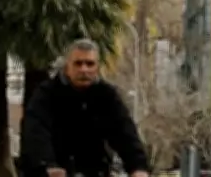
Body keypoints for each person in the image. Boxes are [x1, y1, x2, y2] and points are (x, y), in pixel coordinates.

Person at [20, 39, 149, 177]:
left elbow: (125, 131)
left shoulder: (107, 96)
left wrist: (138, 166)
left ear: (97, 67)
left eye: (90, 64)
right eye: (78, 63)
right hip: (57, 169)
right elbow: (36, 132)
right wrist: (46, 164)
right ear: (67, 67)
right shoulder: (46, 94)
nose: (84, 69)